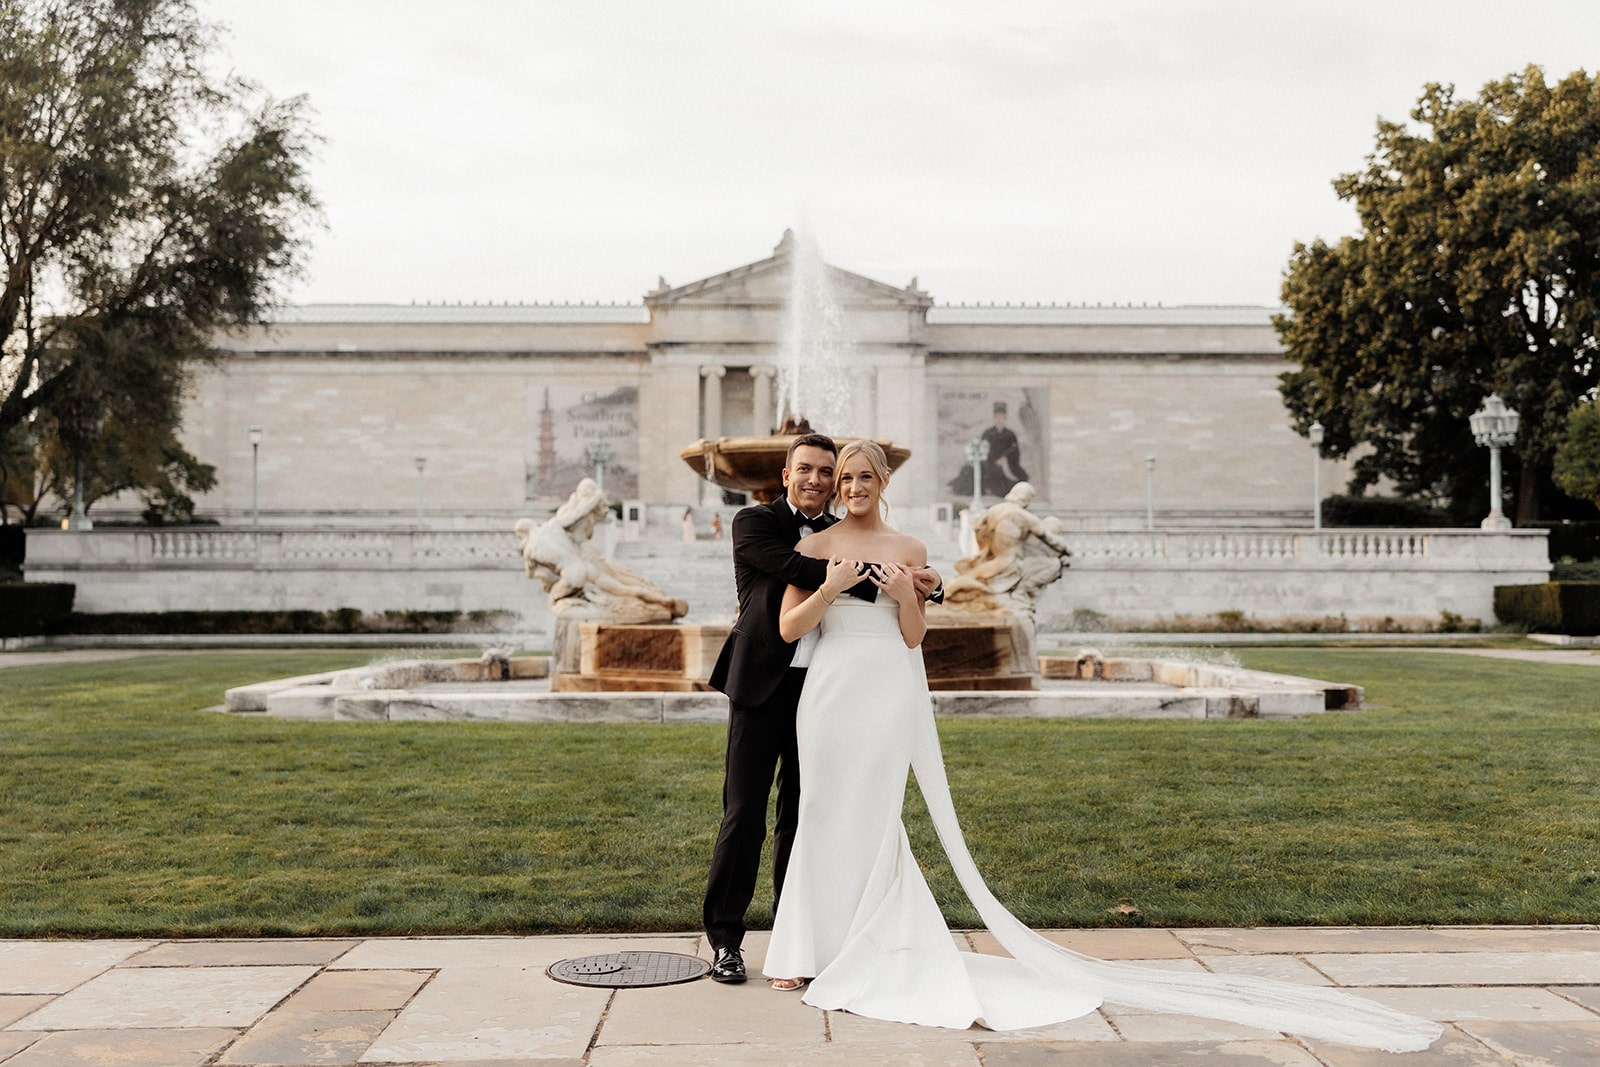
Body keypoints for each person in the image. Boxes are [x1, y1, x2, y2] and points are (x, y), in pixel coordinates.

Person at [761, 439, 1441, 1052]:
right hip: (830, 690)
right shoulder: (814, 549)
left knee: (877, 819)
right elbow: (791, 628)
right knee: (821, 808)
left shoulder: (910, 550)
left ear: (882, 482)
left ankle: (865, 945)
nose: (851, 486)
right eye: (844, 477)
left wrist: (909, 592)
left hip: (885, 689)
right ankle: (800, 950)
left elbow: (913, 636)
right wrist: (829, 587)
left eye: (862, 477)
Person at [701, 433, 940, 985]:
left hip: (832, 689)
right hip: (763, 685)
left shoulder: (842, 534)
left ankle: (800, 940)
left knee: (806, 818)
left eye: (825, 472)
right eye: (804, 469)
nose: (816, 479)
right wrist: (913, 584)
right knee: (743, 814)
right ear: (785, 475)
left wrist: (921, 586)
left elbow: (887, 581)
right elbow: (804, 572)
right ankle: (725, 941)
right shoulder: (758, 526)